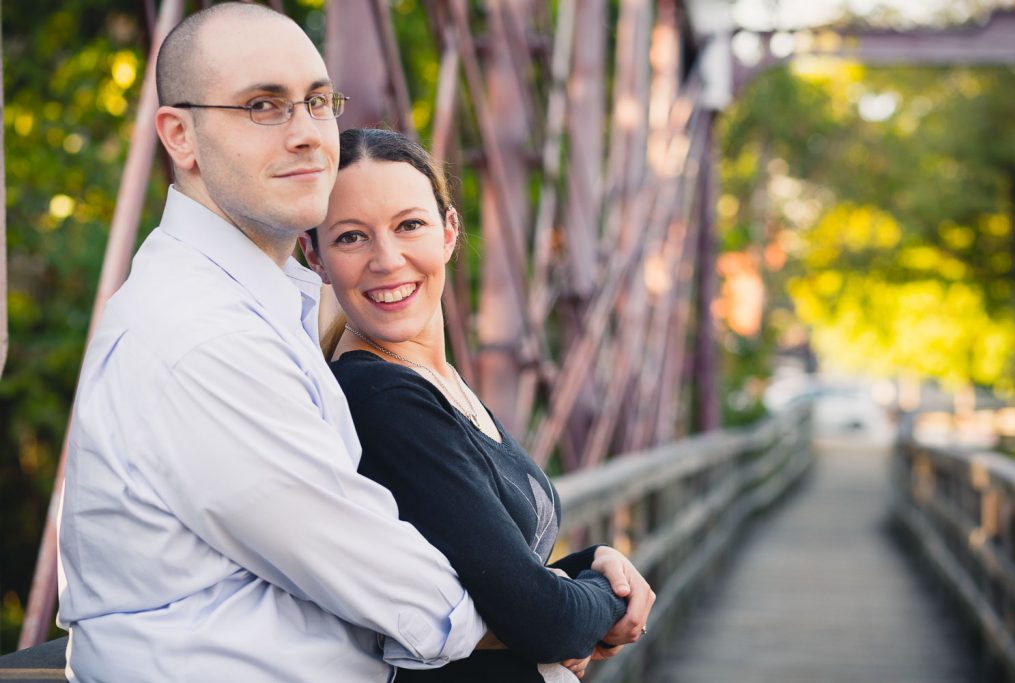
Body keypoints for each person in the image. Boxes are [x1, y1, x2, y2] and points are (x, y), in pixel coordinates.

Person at [57, 5, 497, 681]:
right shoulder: (200, 334)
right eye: (263, 105)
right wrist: (547, 615)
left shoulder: (260, 301)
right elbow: (387, 580)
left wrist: (564, 586)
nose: (309, 135)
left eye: (318, 102)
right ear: (181, 135)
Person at [299, 128, 657, 682]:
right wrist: (606, 603)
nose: (387, 260)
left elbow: (490, 579)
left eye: (409, 225)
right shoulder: (383, 399)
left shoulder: (433, 381)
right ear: (314, 256)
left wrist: (591, 564)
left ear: (448, 231)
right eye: (350, 237)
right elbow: (540, 621)